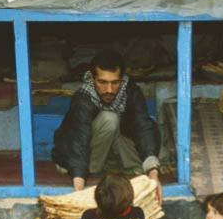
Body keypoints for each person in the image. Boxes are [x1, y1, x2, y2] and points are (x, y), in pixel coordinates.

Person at [53, 49, 161, 198]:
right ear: (92, 79)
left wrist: (153, 176)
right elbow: (78, 140)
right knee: (110, 119)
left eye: (115, 82)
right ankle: (91, 170)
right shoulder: (83, 98)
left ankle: (125, 166)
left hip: (111, 148)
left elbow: (142, 126)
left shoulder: (131, 92)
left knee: (152, 135)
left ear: (122, 80)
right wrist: (78, 191)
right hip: (78, 155)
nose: (109, 90)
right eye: (102, 82)